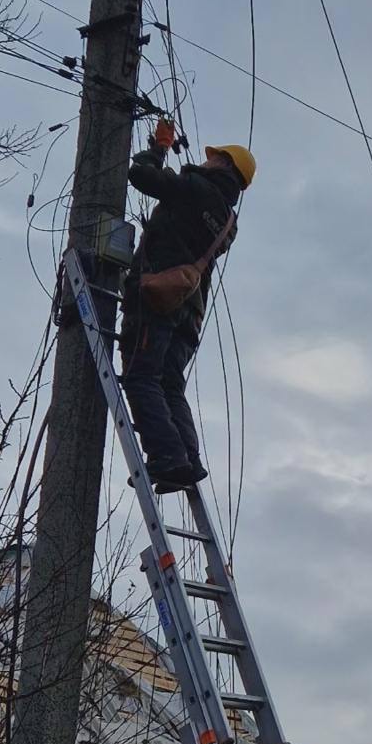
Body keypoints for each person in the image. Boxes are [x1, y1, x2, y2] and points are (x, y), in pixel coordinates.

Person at [120, 129, 255, 490]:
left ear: (223, 163)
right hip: (189, 312)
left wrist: (159, 149)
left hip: (156, 298)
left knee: (142, 377)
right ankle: (187, 460)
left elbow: (142, 176)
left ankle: (168, 458)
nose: (206, 157)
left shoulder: (195, 188)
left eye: (214, 155)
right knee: (170, 385)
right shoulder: (229, 221)